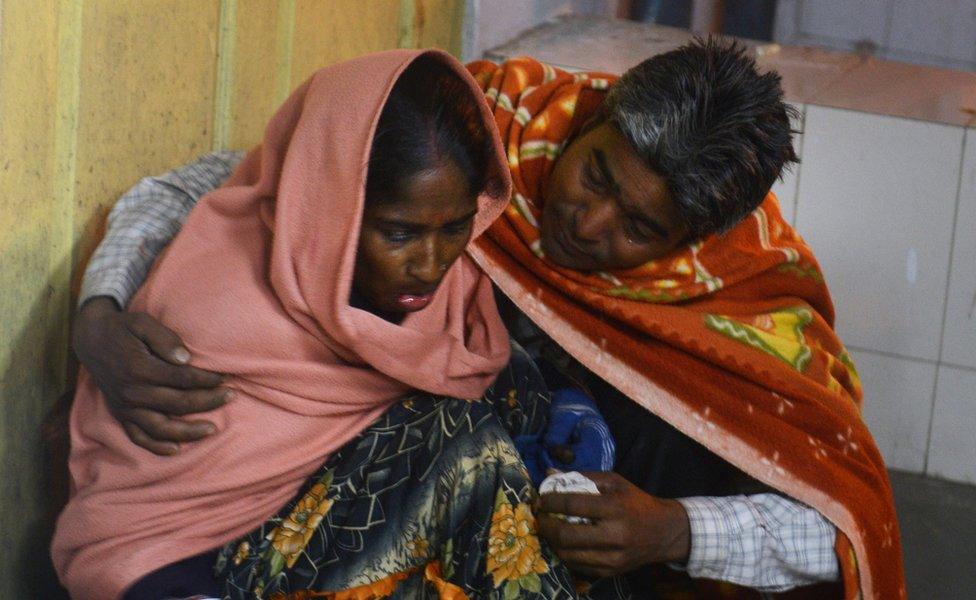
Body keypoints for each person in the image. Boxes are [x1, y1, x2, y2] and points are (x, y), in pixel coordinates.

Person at [72, 39, 905, 598]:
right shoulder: (495, 125)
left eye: (639, 228)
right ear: (594, 118)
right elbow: (238, 184)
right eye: (597, 175)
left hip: (602, 537)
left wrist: (674, 530)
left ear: (686, 243)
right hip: (390, 508)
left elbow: (838, 522)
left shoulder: (750, 302)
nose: (587, 223)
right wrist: (100, 310)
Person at [52, 49, 589, 600]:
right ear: (327, 205)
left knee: (517, 392)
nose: (431, 266)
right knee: (468, 447)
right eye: (399, 234)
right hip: (219, 568)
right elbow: (140, 524)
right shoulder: (213, 311)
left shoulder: (454, 298)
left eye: (454, 228)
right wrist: (97, 310)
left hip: (348, 529)